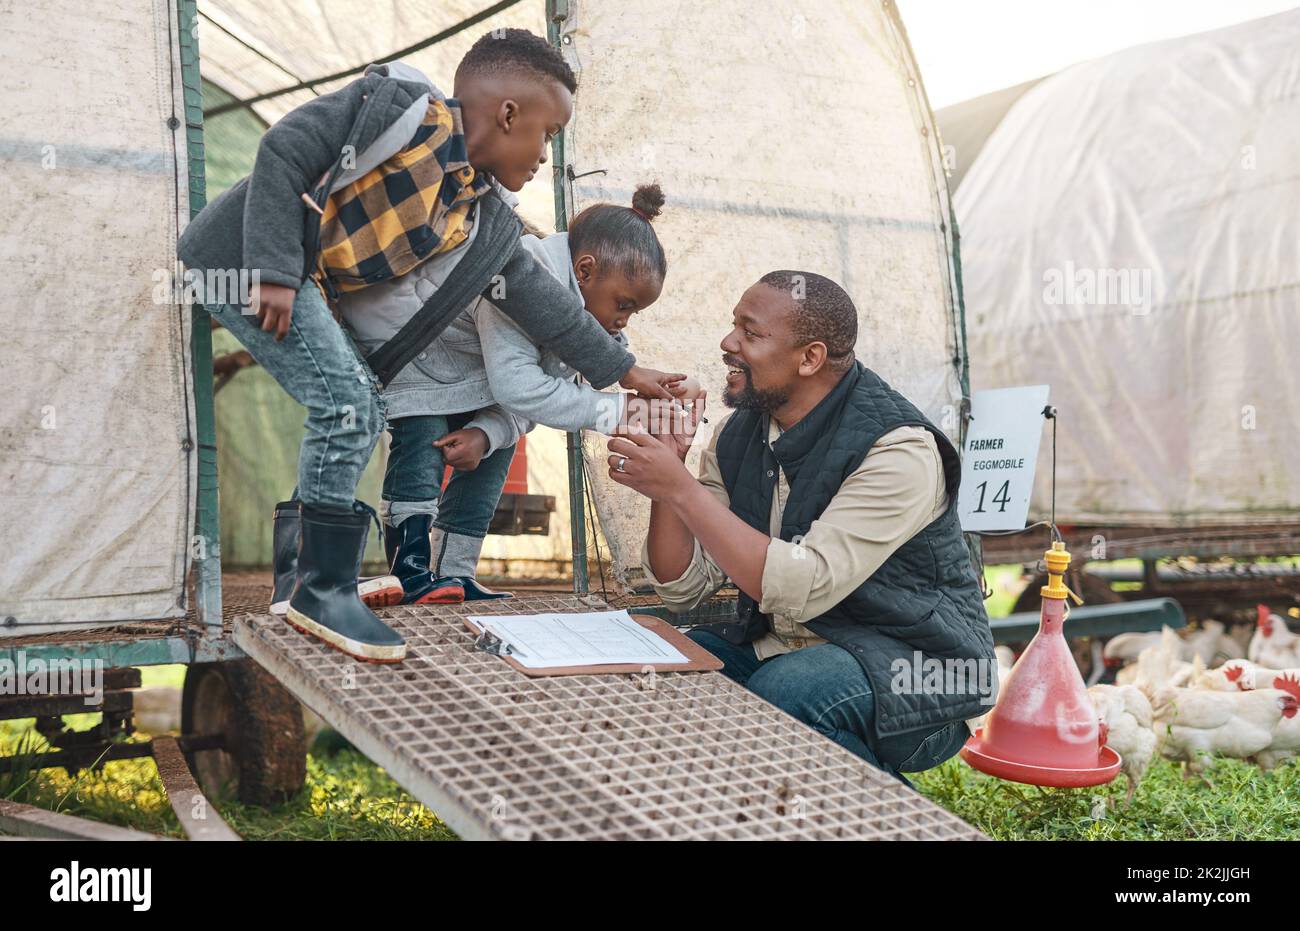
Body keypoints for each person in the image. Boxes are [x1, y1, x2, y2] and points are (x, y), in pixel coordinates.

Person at [178, 28, 678, 663]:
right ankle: (319, 589)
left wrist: (626, 370)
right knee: (348, 405)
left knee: (352, 404)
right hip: (245, 257)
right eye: (547, 135)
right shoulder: (404, 112)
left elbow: (537, 299)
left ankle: (299, 579)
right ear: (508, 114)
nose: (546, 155)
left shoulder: (483, 216)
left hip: (298, 279)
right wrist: (276, 270)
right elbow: (285, 149)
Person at [607, 271, 997, 781]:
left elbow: (802, 586)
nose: (728, 344)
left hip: (922, 667)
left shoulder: (899, 449)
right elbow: (685, 588)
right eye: (733, 327)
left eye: (750, 333)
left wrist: (681, 487)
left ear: (810, 358)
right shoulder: (737, 434)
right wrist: (670, 481)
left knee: (786, 696)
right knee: (663, 667)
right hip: (785, 648)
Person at [360, 183, 678, 606]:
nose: (623, 322)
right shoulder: (519, 284)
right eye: (623, 305)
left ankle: (454, 572)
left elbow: (534, 390)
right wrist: (622, 411)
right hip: (421, 371)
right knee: (423, 441)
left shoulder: (578, 311)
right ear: (584, 271)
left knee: (495, 454)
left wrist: (487, 433)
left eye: (633, 312)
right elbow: (521, 389)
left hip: (477, 385)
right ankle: (409, 569)